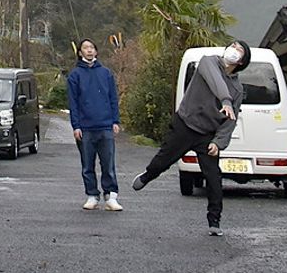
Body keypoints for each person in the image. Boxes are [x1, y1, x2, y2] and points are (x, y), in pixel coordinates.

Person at [132, 39, 250, 236]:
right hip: (185, 124)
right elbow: (216, 81)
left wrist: (219, 142)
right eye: (233, 46)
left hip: (208, 135)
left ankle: (214, 221)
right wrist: (225, 99)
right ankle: (147, 175)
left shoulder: (237, 89)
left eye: (239, 50)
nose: (234, 50)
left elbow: (231, 119)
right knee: (163, 160)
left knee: (214, 178)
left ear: (242, 61)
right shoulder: (208, 62)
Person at [67, 38, 123, 211]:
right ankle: (92, 195)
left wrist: (115, 121)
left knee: (108, 164)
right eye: (85, 48)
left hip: (105, 126)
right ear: (80, 52)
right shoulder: (75, 75)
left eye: (92, 47)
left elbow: (113, 98)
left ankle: (111, 196)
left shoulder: (106, 73)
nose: (89, 50)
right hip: (85, 128)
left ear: (96, 52)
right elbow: (73, 103)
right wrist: (76, 125)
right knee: (87, 164)